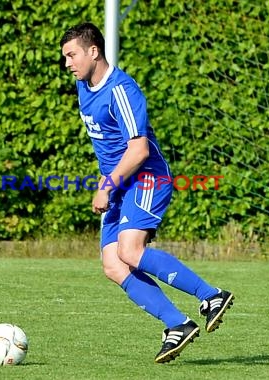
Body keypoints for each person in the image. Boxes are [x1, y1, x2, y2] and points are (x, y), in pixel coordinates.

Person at [59, 22, 235, 364]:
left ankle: (211, 296)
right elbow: (108, 145)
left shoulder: (122, 90)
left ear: (93, 51)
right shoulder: (84, 86)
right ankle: (177, 324)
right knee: (113, 264)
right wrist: (105, 180)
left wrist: (108, 185)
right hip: (118, 182)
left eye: (72, 54)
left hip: (146, 177)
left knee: (130, 250)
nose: (67, 63)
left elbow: (138, 150)